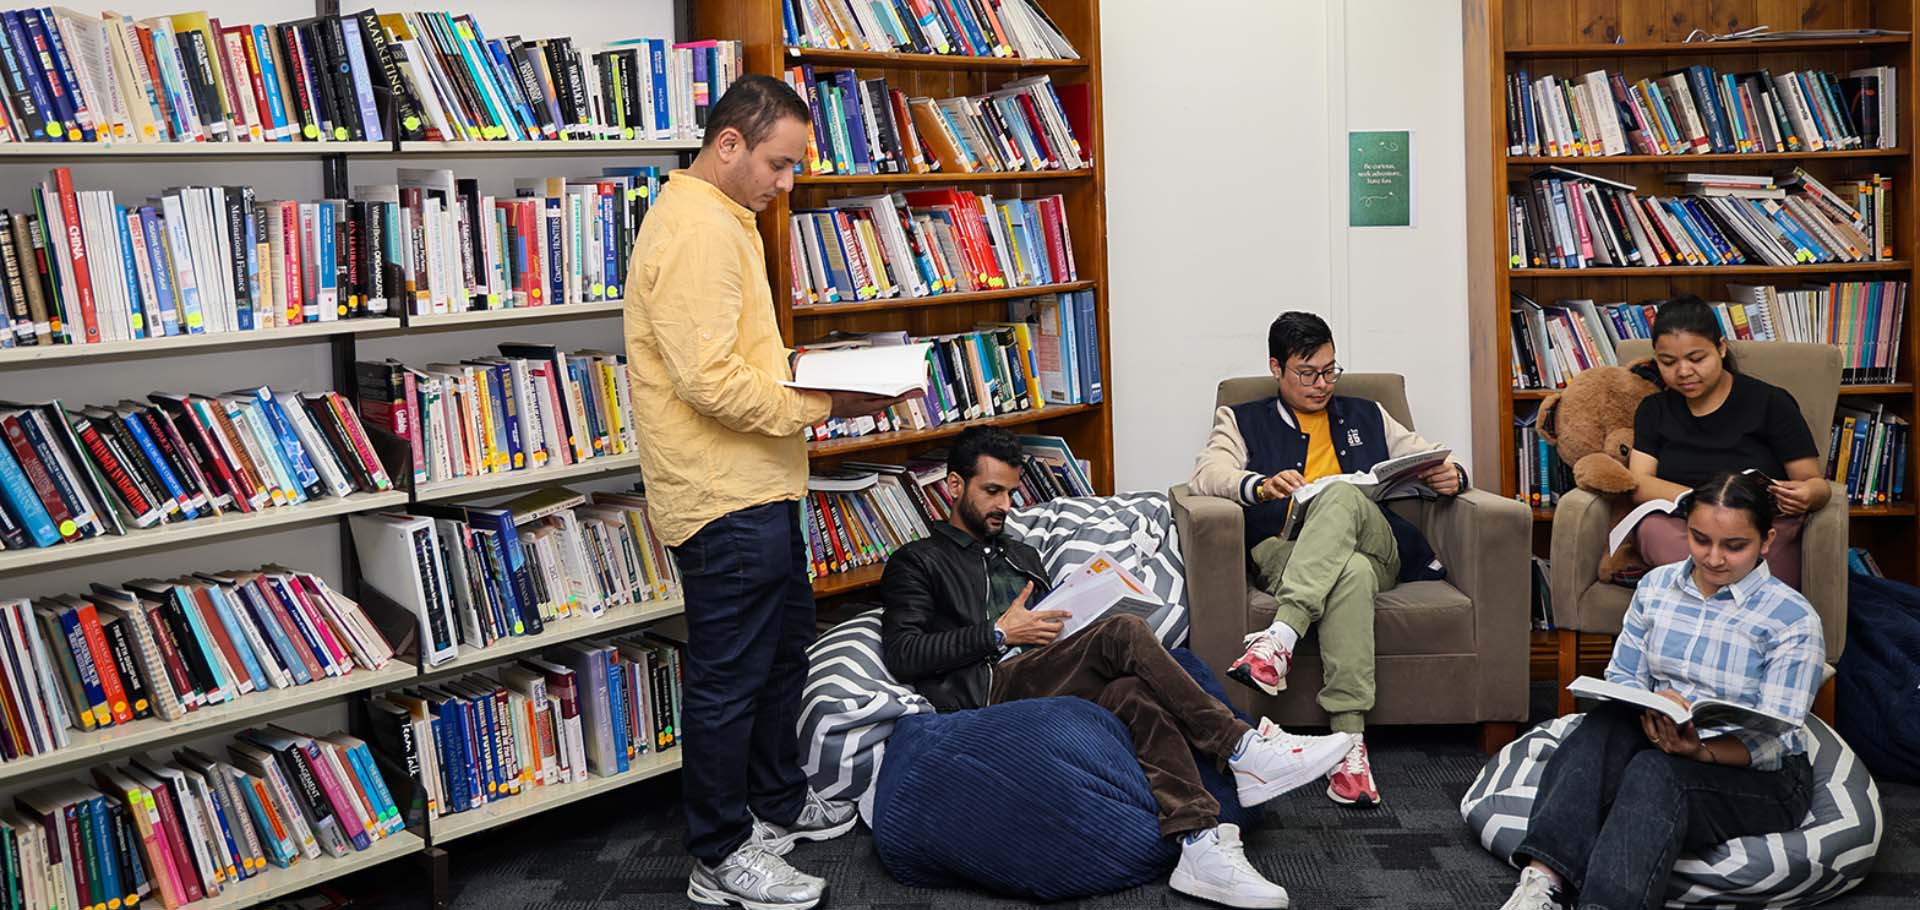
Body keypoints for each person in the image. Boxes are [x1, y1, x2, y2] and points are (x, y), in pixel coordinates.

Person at [624, 74, 902, 910]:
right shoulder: (697, 231)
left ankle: (777, 807)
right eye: (780, 165)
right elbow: (710, 384)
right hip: (721, 494)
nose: (787, 184)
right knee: (727, 681)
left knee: (782, 655)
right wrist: (830, 402)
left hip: (762, 483)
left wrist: (818, 378)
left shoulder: (728, 218)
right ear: (730, 144)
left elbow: (741, 361)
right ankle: (718, 854)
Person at [880, 426, 1355, 910]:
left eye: (1011, 492)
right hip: (989, 685)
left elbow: (1051, 624)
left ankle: (1198, 841)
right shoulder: (918, 561)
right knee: (1123, 632)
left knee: (1134, 689)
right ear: (955, 487)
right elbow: (905, 653)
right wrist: (1000, 632)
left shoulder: (1021, 553)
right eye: (992, 492)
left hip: (1050, 669)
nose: (1005, 505)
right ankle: (1241, 747)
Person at [1500, 471, 1823, 910]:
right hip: (1665, 737)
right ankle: (1543, 881)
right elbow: (1624, 677)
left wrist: (1700, 753)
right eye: (1700, 539)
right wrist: (1656, 708)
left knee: (1655, 773)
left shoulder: (1792, 618)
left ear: (1766, 541)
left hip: (1756, 774)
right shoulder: (1657, 587)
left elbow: (1777, 739)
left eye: (1734, 546)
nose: (1713, 558)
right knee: (1603, 725)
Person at [1188, 311, 1467, 807]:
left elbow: (1429, 455)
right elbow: (1208, 474)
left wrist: (1454, 476)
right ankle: (1350, 746)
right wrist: (1258, 485)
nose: (1322, 384)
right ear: (1276, 368)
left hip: (1374, 543)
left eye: (1330, 371)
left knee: (1340, 498)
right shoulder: (1242, 419)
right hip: (1289, 552)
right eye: (1308, 373)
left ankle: (1280, 637)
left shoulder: (1368, 413)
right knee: (1350, 574)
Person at [1626, 296, 1828, 589]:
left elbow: (1816, 484)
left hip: (1756, 530)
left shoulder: (1770, 402)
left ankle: (1704, 597)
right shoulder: (1653, 410)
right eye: (1668, 362)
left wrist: (1808, 493)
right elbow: (1639, 483)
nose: (1683, 372)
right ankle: (1727, 596)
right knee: (1653, 530)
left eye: (1696, 359)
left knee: (1756, 546)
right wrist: (1709, 504)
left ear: (1720, 347)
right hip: (1686, 529)